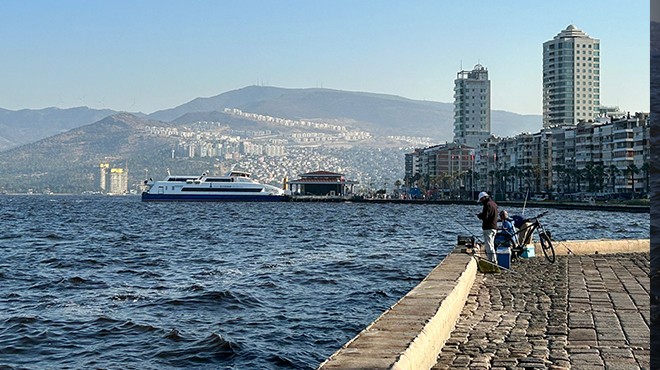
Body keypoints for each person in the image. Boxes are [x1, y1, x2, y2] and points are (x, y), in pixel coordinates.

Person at [476, 191, 498, 262]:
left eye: (481, 200)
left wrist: (480, 216)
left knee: (489, 246)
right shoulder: (494, 204)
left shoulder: (487, 205)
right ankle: (494, 260)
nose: (481, 201)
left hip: (488, 228)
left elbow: (485, 217)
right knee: (492, 245)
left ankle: (491, 261)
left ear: (484, 198)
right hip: (494, 227)